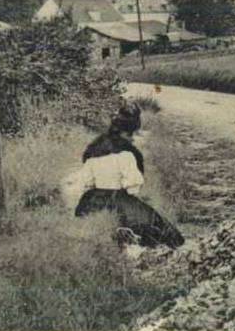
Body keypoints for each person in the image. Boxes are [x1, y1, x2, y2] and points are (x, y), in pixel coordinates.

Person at [75, 103, 184, 248]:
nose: (132, 139)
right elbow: (133, 186)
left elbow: (86, 181)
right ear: (123, 133)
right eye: (130, 134)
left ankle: (113, 234)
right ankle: (132, 237)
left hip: (93, 200)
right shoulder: (128, 154)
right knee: (166, 234)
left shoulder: (93, 149)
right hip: (120, 199)